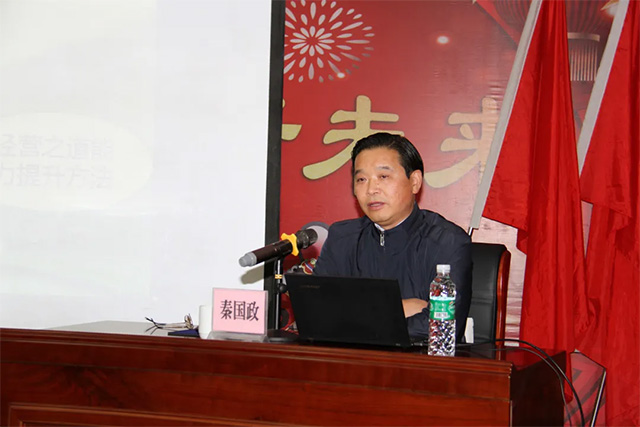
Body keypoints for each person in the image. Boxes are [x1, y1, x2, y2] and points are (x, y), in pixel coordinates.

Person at [313, 132, 472, 343]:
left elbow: (440, 326)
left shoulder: (447, 242)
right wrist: (400, 308)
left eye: (383, 177)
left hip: (419, 362)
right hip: (352, 361)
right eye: (361, 179)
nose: (371, 189)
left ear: (414, 182)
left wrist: (353, 316)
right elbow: (316, 315)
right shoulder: (342, 239)